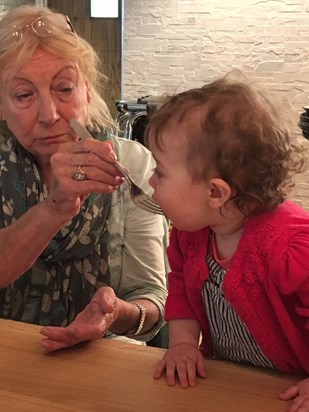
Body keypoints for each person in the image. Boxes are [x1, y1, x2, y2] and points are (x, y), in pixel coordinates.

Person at [0, 5, 168, 351]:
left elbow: (152, 303)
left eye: (64, 88)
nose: (49, 115)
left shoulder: (130, 164)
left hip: (104, 358)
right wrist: (54, 209)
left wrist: (117, 314)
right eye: (23, 95)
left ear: (87, 90)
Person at [144, 73, 309, 412]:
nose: (150, 180)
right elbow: (180, 291)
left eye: (160, 172)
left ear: (215, 192)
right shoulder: (190, 235)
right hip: (232, 383)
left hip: (285, 394)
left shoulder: (289, 246)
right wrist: (183, 344)